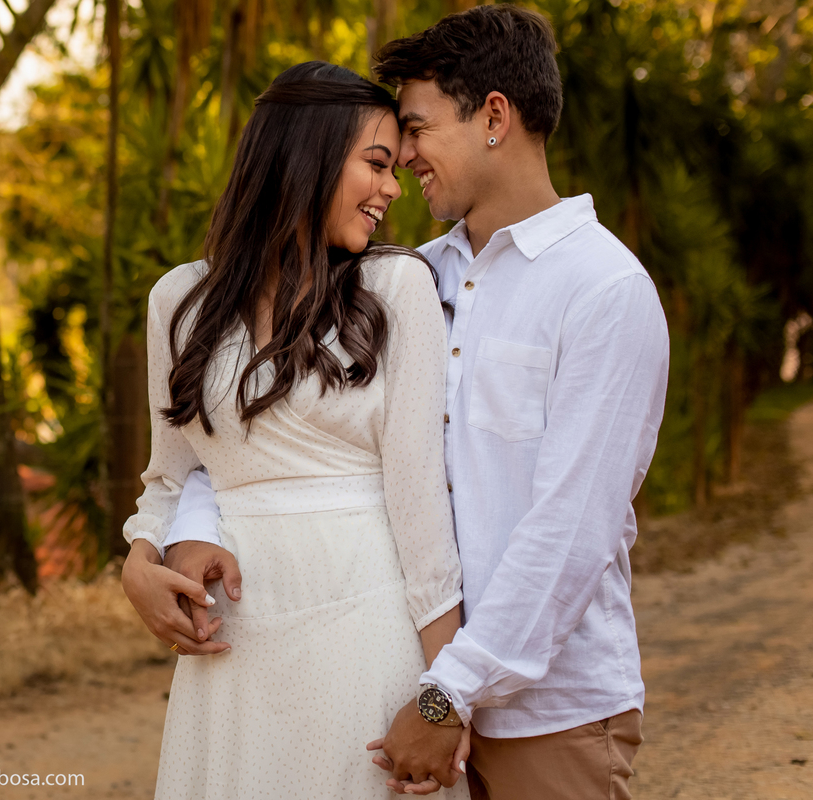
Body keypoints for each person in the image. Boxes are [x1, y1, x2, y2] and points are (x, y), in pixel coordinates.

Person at [137, 6, 671, 800]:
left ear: (495, 116)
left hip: (537, 708)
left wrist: (445, 692)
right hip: (404, 679)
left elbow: (569, 533)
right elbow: (256, 435)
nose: (406, 162)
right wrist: (179, 534)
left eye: (415, 132)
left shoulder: (603, 291)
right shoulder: (400, 278)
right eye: (389, 149)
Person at [120, 61, 471, 799]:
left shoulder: (394, 288)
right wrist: (137, 561)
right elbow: (170, 475)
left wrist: (446, 699)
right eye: (374, 163)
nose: (391, 187)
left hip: (365, 628)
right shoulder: (179, 301)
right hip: (232, 648)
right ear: (303, 157)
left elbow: (420, 508)